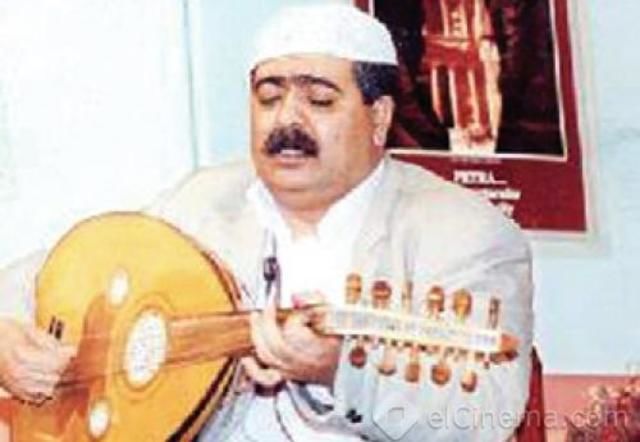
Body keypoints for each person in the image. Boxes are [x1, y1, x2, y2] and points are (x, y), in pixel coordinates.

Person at [0, 4, 533, 441]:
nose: (287, 120)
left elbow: (487, 419)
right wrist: (7, 341)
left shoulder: (465, 235)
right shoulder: (202, 202)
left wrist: (340, 371)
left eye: (319, 100)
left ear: (379, 118)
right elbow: (45, 275)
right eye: (269, 98)